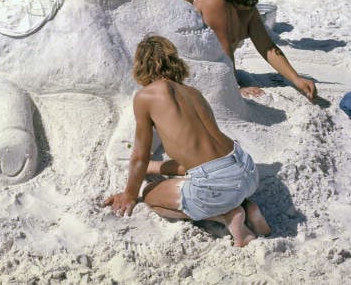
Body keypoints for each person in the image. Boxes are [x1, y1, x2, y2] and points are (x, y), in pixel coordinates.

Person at [104, 35, 270, 248]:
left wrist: (129, 194)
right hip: (245, 168)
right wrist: (154, 167)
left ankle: (228, 215)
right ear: (175, 62)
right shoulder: (194, 93)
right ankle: (249, 206)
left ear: (141, 66)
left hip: (217, 183)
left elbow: (140, 155)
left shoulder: (145, 96)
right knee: (218, 180)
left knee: (150, 196)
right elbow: (203, 156)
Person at [195, 0, 317, 99]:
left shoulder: (247, 5)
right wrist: (235, 88)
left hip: (216, 66)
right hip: (195, 70)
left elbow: (268, 47)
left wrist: (296, 79)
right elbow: (223, 49)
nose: (249, 4)